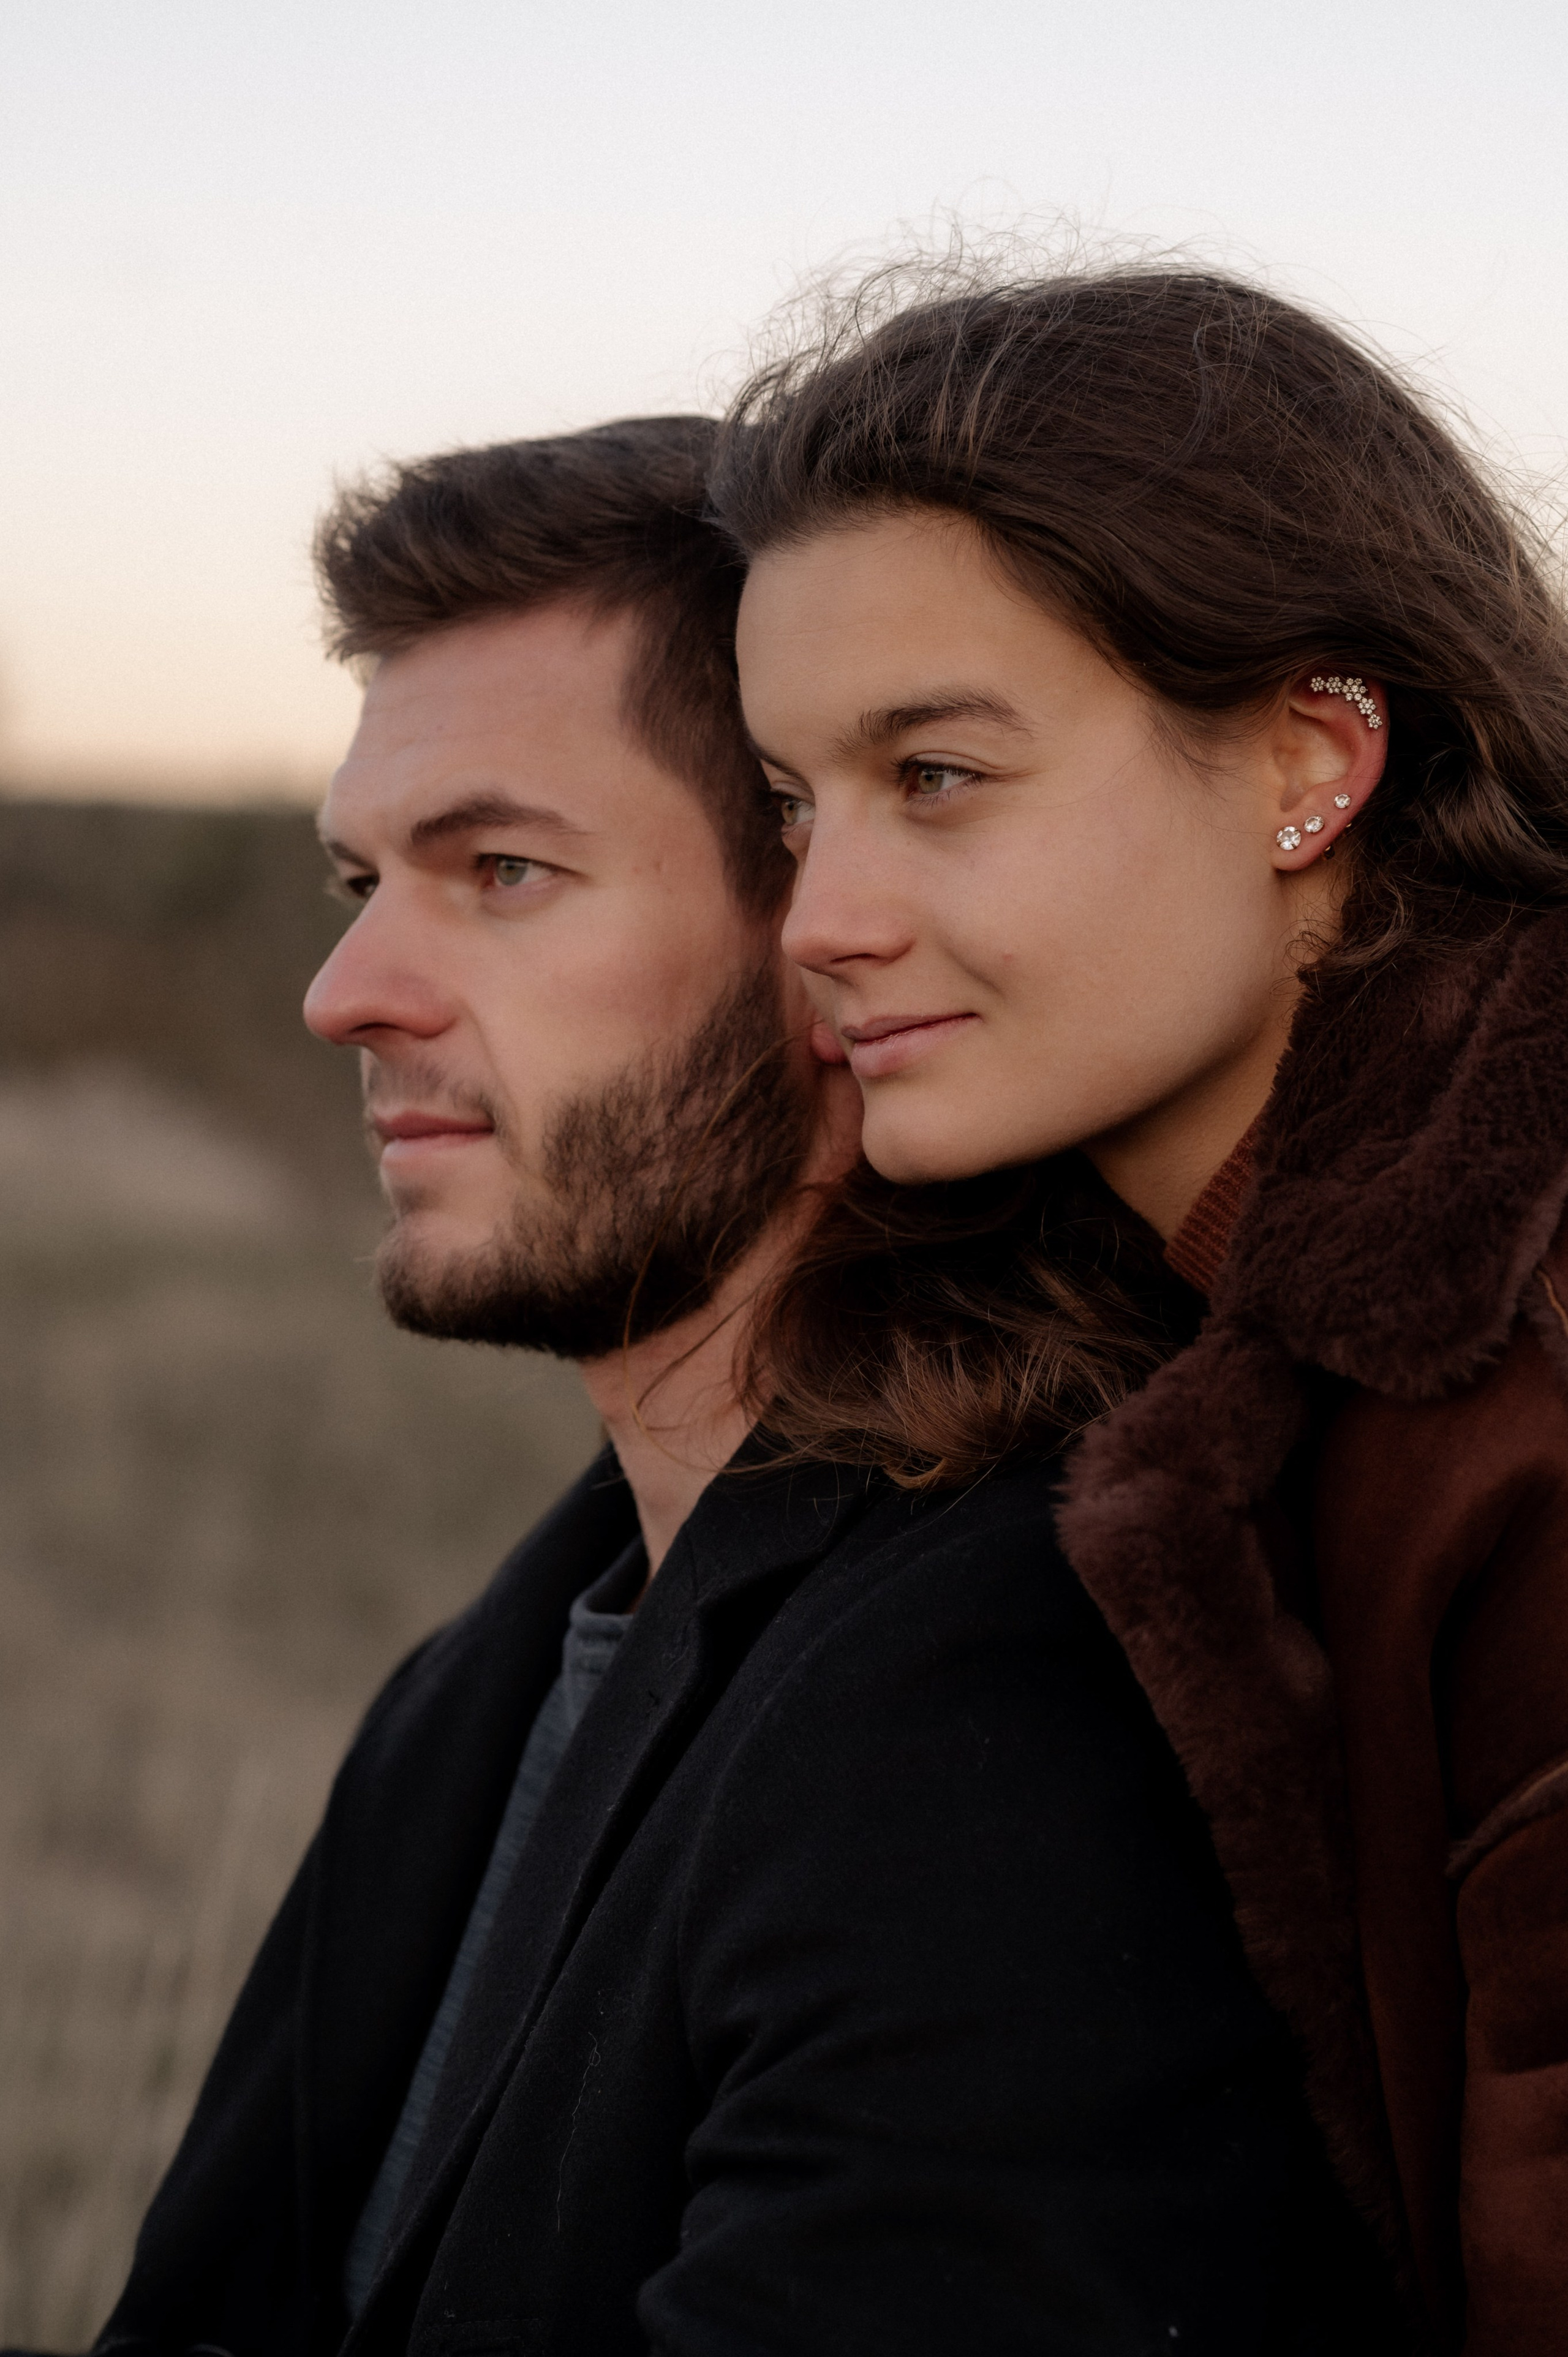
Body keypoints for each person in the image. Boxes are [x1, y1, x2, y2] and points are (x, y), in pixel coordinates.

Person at [71, 415, 1395, 2357]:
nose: (347, 989)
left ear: (835, 941)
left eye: (502, 869)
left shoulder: (1021, 1684)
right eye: (360, 875)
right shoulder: (501, 1669)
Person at [714, 261, 1568, 2357]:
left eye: (937, 776)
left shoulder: (1522, 1374)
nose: (820, 920)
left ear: (1308, 758)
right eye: (793, 804)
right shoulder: (1227, 1322)